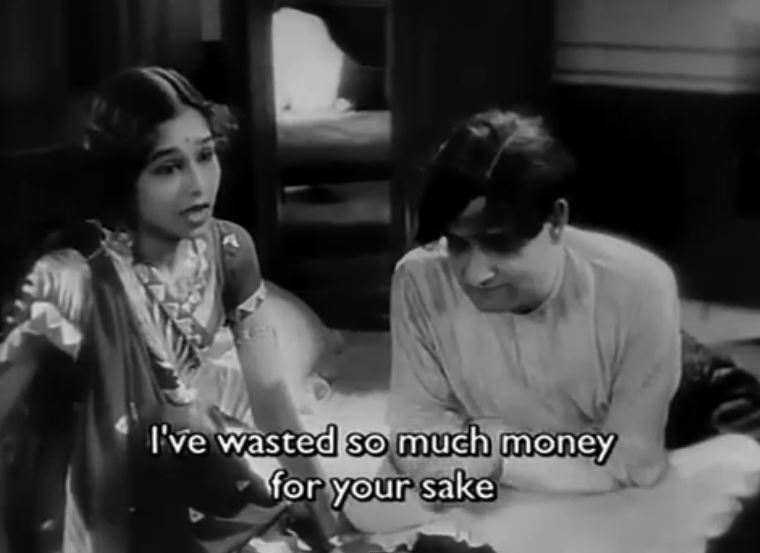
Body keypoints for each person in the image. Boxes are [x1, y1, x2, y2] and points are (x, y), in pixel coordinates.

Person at [0, 67, 334, 553]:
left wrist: (325, 512)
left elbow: (269, 395)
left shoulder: (230, 250)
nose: (197, 184)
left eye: (205, 155)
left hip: (185, 463)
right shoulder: (72, 277)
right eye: (167, 168)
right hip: (88, 499)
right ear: (122, 177)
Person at [386, 108, 760, 496]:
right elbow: (415, 428)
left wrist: (498, 457)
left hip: (691, 400)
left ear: (556, 221)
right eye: (458, 243)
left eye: (500, 243)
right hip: (559, 431)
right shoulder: (419, 279)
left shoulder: (639, 283)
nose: (475, 275)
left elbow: (631, 463)